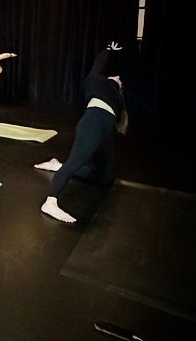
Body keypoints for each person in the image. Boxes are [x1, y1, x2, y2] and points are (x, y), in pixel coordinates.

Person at [34, 41, 128, 223]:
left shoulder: (118, 97)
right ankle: (50, 201)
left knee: (105, 177)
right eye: (116, 77)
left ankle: (58, 166)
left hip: (106, 130)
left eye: (120, 80)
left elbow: (121, 119)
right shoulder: (96, 82)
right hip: (92, 123)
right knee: (75, 162)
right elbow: (98, 65)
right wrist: (107, 51)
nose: (118, 77)